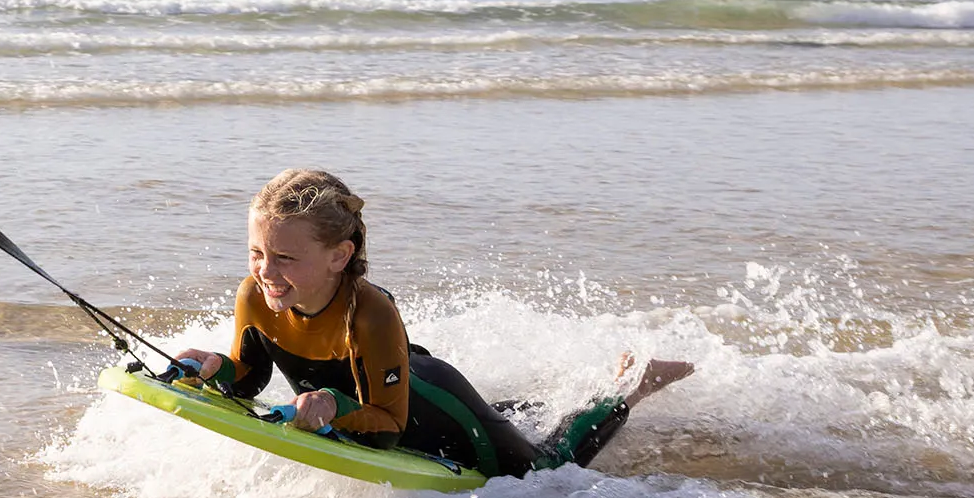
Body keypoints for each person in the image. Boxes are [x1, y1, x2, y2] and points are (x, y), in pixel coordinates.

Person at [175, 169, 694, 477]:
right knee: (515, 418)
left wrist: (336, 405)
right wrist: (213, 367)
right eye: (257, 252)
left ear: (340, 255)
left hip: (433, 405)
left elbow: (388, 428)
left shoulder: (372, 311)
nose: (267, 271)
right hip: (394, 384)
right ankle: (531, 404)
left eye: (285, 258)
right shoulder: (257, 294)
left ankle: (631, 384)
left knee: (544, 467)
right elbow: (250, 377)